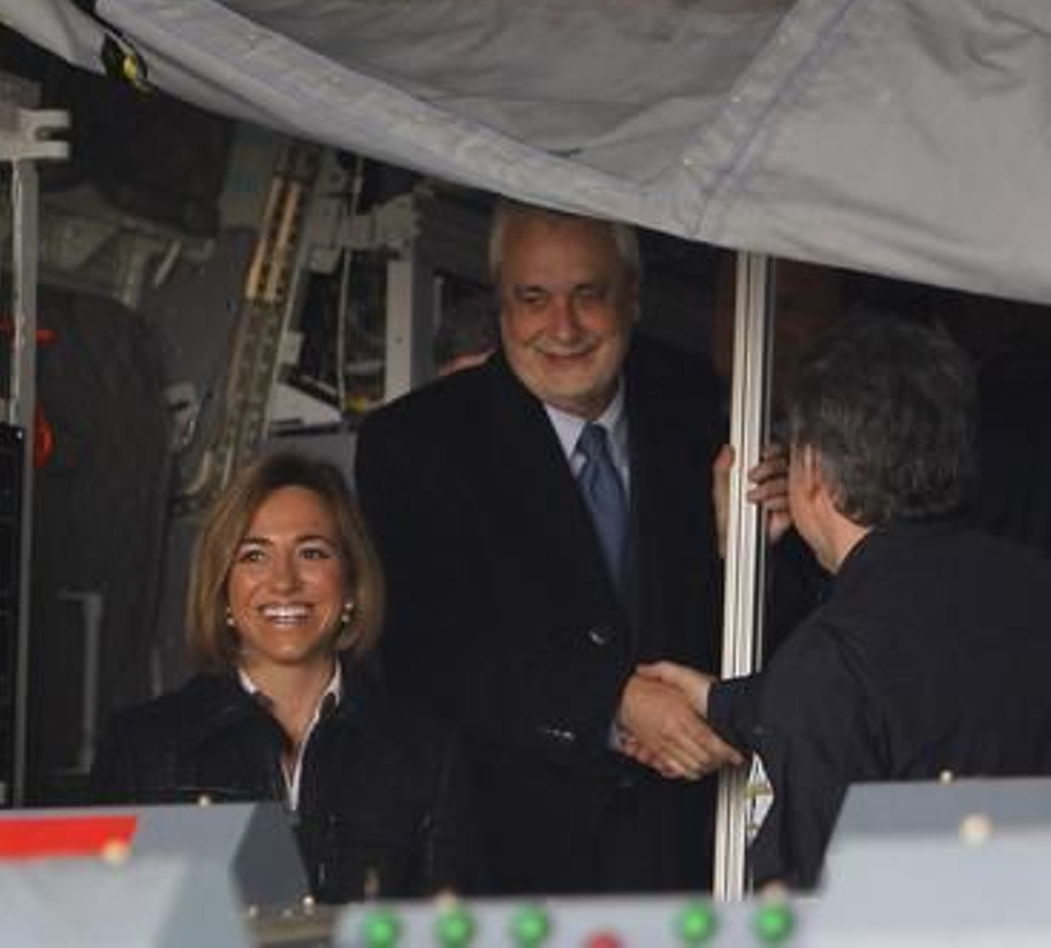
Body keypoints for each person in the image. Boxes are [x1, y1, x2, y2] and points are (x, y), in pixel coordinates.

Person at [355, 202, 783, 894]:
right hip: (512, 866)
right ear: (501, 305)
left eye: (589, 294)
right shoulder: (417, 443)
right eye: (534, 299)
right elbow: (422, 652)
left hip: (693, 854)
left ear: (633, 296)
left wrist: (751, 555)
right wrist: (609, 702)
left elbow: (770, 627)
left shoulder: (706, 405)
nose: (563, 327)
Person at [640, 317, 1051, 889]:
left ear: (811, 469)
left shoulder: (832, 660)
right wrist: (722, 701)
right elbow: (939, 681)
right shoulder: (1031, 583)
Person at [91, 451, 479, 902]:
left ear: (351, 584)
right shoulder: (140, 748)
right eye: (254, 555)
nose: (284, 582)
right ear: (223, 589)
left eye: (312, 552)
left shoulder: (429, 755)